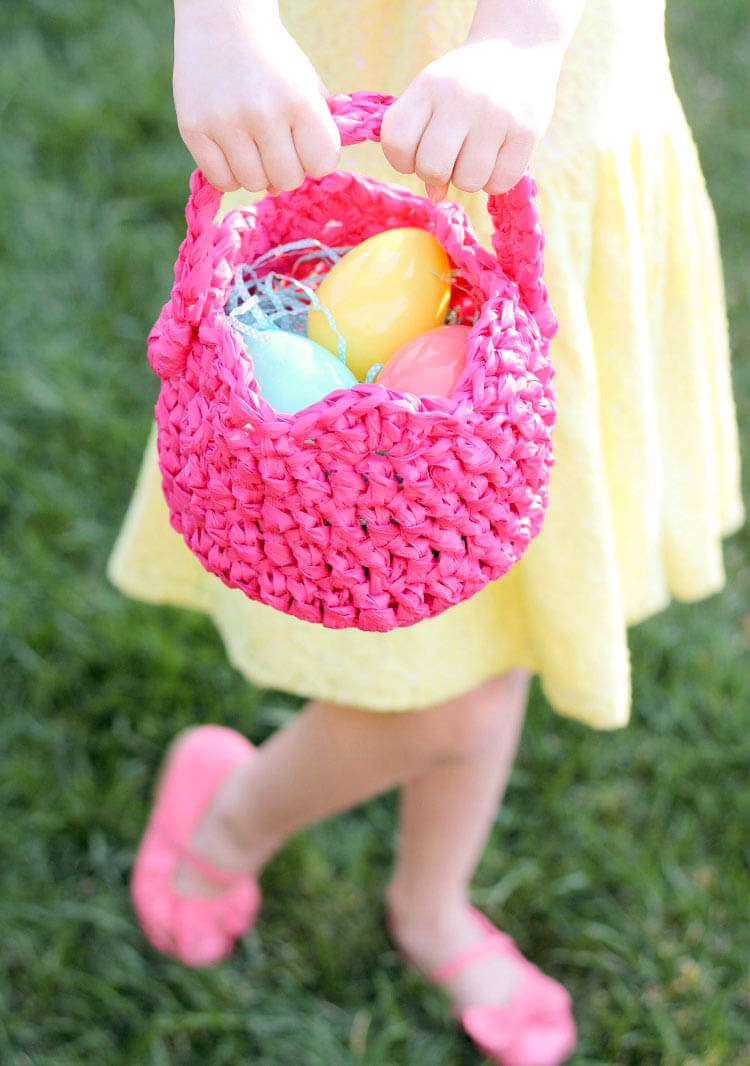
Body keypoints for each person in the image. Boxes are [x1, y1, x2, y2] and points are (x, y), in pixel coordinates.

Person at [107, 0, 744, 1063]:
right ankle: (232, 819)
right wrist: (216, 21)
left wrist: (528, 36)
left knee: (501, 643)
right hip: (366, 112)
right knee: (439, 699)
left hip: (551, 114)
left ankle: (430, 898)